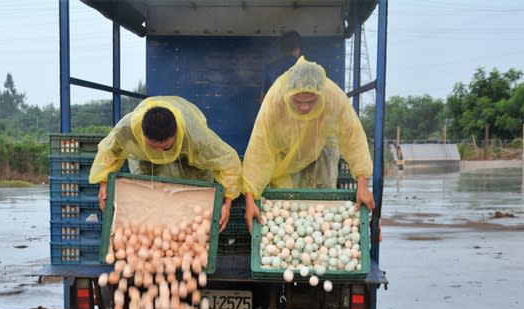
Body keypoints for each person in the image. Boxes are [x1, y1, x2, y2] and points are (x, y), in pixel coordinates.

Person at [241, 56, 376, 232]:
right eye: (297, 101)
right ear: (288, 96)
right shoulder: (275, 99)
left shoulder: (333, 96)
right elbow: (259, 147)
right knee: (289, 204)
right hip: (287, 153)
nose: (304, 107)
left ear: (321, 94)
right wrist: (250, 198)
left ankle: (323, 232)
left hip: (322, 147)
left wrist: (363, 184)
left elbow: (354, 137)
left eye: (311, 101)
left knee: (324, 204)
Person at [89, 96, 242, 231]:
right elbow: (108, 153)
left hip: (187, 159)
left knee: (193, 202)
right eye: (153, 147)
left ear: (175, 135)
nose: (160, 153)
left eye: (166, 147)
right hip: (144, 160)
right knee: (149, 199)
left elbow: (228, 162)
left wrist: (227, 203)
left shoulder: (196, 138)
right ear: (142, 136)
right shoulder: (126, 130)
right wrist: (103, 183)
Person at [260, 30, 302, 103]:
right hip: (301, 112)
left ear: (282, 49)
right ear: (297, 47)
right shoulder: (307, 68)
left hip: (277, 111)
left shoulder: (270, 68)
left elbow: (263, 99)